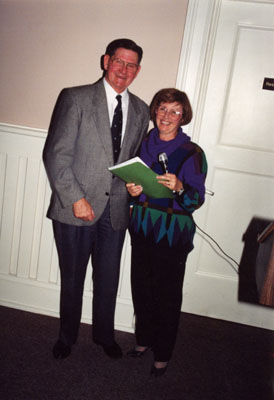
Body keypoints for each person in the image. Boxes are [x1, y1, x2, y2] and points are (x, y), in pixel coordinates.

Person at [43, 38, 150, 360]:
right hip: (76, 207)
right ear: (106, 61)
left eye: (131, 65)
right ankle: (67, 337)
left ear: (138, 70)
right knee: (72, 277)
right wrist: (75, 198)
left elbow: (130, 162)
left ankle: (104, 336)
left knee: (108, 279)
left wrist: (137, 185)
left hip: (116, 211)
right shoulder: (76, 98)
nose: (124, 70)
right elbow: (56, 154)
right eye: (119, 61)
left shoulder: (142, 109)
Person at [126, 88, 207, 376]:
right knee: (142, 288)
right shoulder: (142, 146)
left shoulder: (192, 153)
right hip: (142, 228)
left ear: (183, 116)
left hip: (173, 233)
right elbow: (134, 192)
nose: (167, 116)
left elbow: (195, 200)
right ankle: (144, 340)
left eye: (174, 110)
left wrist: (179, 187)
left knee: (167, 295)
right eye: (162, 109)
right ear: (154, 111)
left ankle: (163, 353)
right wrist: (133, 191)